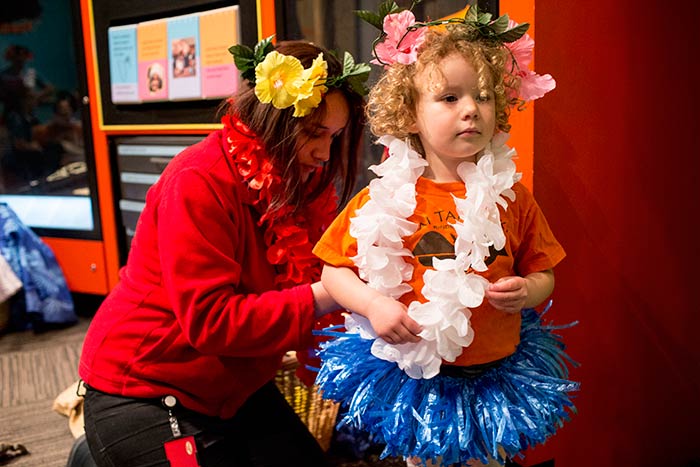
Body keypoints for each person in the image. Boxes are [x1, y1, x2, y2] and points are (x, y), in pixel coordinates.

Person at [78, 39, 369, 467]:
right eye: (313, 133)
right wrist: (328, 293)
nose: (324, 154)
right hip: (145, 390)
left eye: (335, 137)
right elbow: (211, 321)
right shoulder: (198, 180)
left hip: (234, 390)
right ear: (275, 119)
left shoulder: (300, 185)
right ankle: (98, 451)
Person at [312, 6, 578, 467]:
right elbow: (334, 271)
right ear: (410, 115)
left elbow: (544, 272)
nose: (472, 108)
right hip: (418, 380)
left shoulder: (513, 199)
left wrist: (528, 290)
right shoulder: (383, 199)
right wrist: (374, 304)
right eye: (450, 98)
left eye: (483, 96)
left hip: (494, 376)